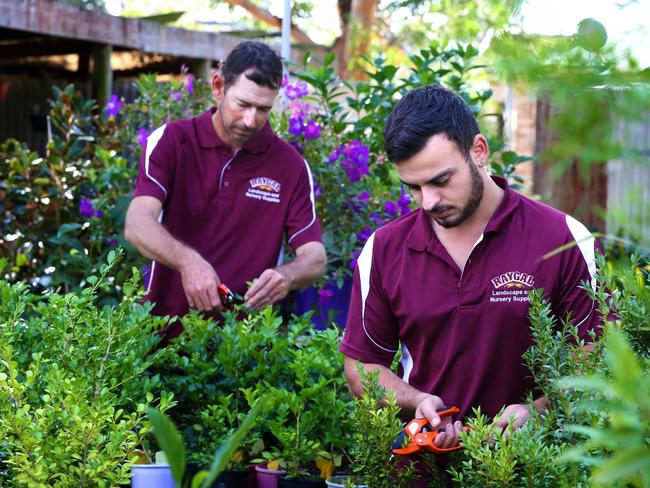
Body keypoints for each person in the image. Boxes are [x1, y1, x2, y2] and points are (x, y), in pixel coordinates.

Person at [340, 84, 602, 451]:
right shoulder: (384, 250)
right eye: (413, 187)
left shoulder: (565, 239)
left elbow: (598, 363)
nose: (428, 201)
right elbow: (363, 366)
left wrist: (540, 411)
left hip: (530, 471)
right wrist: (417, 401)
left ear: (478, 151)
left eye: (441, 180)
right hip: (420, 473)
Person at [125, 41, 326, 338]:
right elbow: (137, 224)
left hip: (242, 349)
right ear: (218, 87)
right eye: (243, 104)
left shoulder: (291, 166)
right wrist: (188, 262)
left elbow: (315, 258)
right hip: (159, 341)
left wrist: (287, 276)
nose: (250, 120)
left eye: (263, 109)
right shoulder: (171, 141)